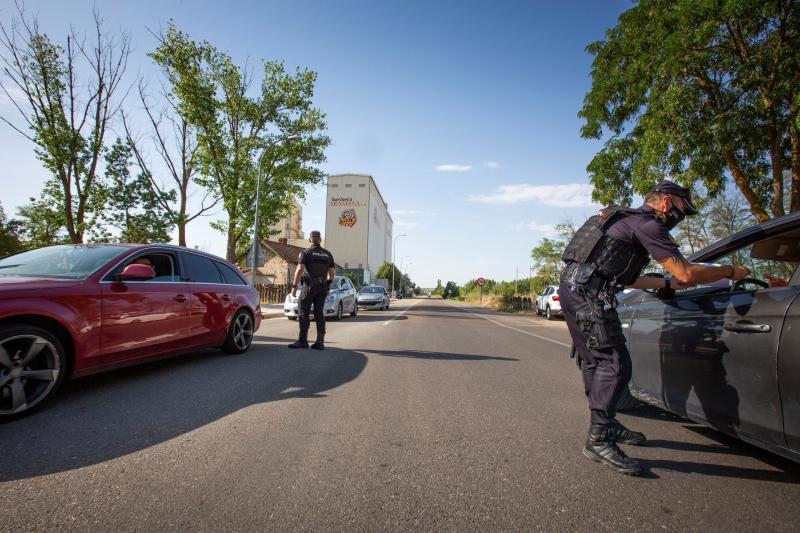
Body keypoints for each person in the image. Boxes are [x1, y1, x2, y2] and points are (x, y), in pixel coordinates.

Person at [559, 180, 750, 475]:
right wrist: (729, 271)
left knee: (596, 361)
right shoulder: (649, 225)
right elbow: (685, 273)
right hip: (587, 294)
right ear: (664, 202)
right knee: (614, 363)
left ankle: (606, 424)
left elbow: (629, 279)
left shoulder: (625, 219)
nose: (680, 217)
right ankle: (598, 438)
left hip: (578, 289)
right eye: (681, 210)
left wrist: (664, 283)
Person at [288, 230, 336, 350]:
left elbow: (299, 269)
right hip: (322, 288)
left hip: (309, 287)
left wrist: (294, 286)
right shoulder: (328, 254)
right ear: (320, 240)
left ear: (310, 240)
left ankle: (303, 341)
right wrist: (328, 287)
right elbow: (332, 273)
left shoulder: (306, 253)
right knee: (319, 314)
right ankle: (320, 342)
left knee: (303, 312)